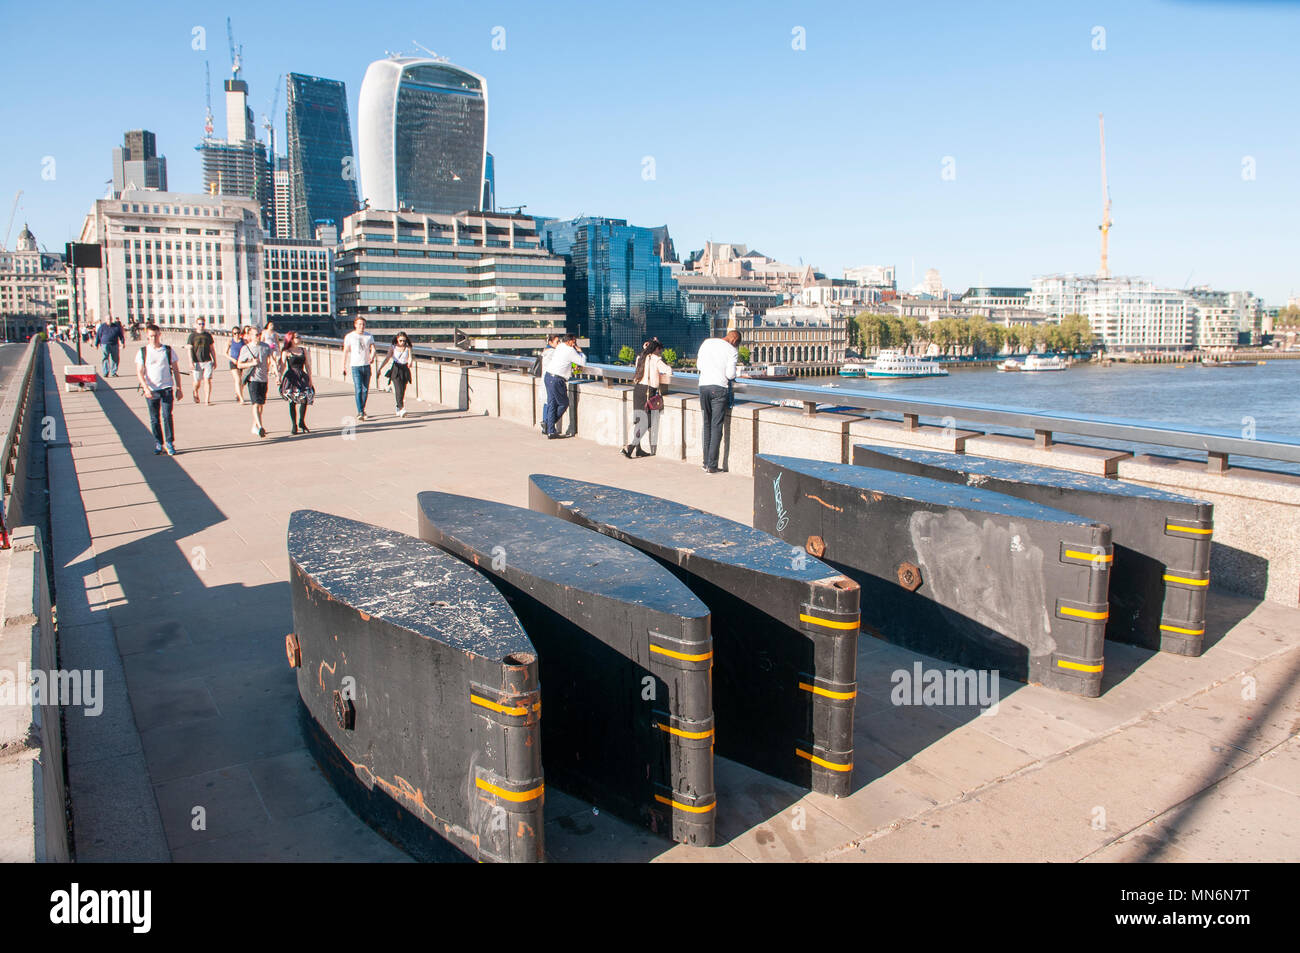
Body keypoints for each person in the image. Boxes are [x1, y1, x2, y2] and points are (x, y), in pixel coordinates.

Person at [134, 323, 183, 455]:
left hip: (166, 388)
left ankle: (169, 442)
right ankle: (158, 442)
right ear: (147, 336)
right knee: (154, 418)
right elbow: (139, 371)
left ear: (159, 335)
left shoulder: (167, 350)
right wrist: (145, 388)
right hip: (151, 389)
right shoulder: (142, 352)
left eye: (156, 336)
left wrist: (179, 388)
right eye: (151, 336)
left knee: (167, 416)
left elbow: (176, 370)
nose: (153, 338)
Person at [696, 329, 740, 473]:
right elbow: (730, 374)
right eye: (737, 344)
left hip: (703, 386)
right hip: (719, 388)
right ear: (734, 341)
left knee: (706, 425)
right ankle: (712, 465)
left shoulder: (706, 342)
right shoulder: (732, 350)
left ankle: (705, 462)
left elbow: (699, 366)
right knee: (716, 427)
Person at [622, 338, 672, 458]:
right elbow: (668, 370)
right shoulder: (656, 359)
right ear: (656, 349)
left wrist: (645, 349)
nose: (660, 353)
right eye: (660, 350)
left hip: (638, 389)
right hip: (648, 392)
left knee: (639, 420)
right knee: (647, 421)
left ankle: (638, 450)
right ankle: (631, 447)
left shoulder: (640, 357)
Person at [542, 334, 586, 439]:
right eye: (574, 342)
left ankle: (550, 430)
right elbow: (582, 361)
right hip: (557, 379)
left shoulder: (560, 346)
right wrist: (580, 351)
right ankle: (548, 424)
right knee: (563, 403)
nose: (574, 344)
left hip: (548, 376)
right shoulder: (570, 350)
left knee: (552, 403)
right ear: (569, 341)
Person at [235, 325, 274, 437]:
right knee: (256, 404)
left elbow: (272, 360)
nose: (258, 336)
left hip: (263, 379)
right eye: (256, 335)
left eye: (259, 334)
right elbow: (239, 364)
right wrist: (251, 363)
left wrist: (276, 372)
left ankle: (254, 426)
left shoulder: (265, 347)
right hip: (253, 380)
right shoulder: (246, 348)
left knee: (261, 404)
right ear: (251, 336)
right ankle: (260, 427)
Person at [277, 331, 315, 435]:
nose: (299, 339)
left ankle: (302, 421)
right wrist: (279, 377)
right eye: (297, 337)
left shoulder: (303, 350)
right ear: (291, 339)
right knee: (292, 401)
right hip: (291, 377)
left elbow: (307, 365)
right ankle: (294, 425)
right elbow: (283, 365)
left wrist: (310, 378)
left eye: (299, 337)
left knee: (304, 399)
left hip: (302, 376)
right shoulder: (287, 352)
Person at [342, 317, 376, 420]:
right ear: (355, 325)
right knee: (358, 389)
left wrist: (372, 356)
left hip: (366, 365)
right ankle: (360, 411)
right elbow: (345, 351)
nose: (362, 326)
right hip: (355, 366)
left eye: (363, 324)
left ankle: (362, 409)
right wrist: (343, 366)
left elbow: (373, 348)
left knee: (365, 389)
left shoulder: (369, 336)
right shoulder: (349, 336)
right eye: (360, 324)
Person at [376, 331, 414, 417]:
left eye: (404, 341)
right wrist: (380, 368)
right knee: (398, 389)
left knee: (403, 390)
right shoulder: (393, 347)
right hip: (396, 369)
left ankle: (398, 406)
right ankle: (401, 408)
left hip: (405, 369)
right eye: (400, 340)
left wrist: (410, 362)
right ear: (397, 340)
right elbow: (387, 358)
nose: (402, 342)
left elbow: (410, 358)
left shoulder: (408, 348)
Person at [187, 318, 217, 405]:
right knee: (197, 382)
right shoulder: (192, 336)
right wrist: (190, 362)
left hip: (207, 361)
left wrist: (215, 360)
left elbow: (212, 349)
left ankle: (207, 400)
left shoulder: (208, 335)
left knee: (207, 380)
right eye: (199, 324)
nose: (201, 325)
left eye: (203, 324)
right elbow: (189, 349)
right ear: (196, 325)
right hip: (196, 362)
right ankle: (195, 391)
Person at [537, 333, 560, 435]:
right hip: (550, 380)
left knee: (546, 403)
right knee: (550, 403)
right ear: (550, 342)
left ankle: (545, 425)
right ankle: (547, 425)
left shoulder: (545, 351)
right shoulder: (552, 352)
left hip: (545, 380)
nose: (559, 343)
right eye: (557, 341)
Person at [227, 328, 246, 404]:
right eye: (235, 333)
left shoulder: (243, 341)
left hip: (242, 362)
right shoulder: (230, 341)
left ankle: (237, 393)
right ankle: (241, 399)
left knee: (241, 381)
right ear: (232, 334)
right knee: (237, 379)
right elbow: (225, 353)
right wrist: (232, 359)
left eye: (238, 333)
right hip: (233, 362)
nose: (236, 335)